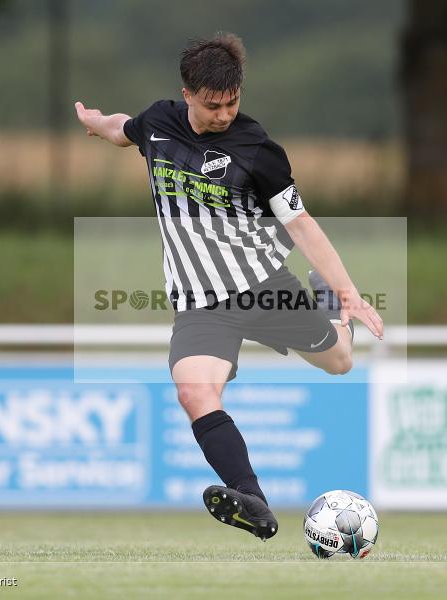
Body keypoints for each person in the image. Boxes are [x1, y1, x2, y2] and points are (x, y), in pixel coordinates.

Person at [74, 32, 383, 541]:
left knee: (340, 362)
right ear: (188, 94)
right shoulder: (158, 123)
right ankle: (254, 502)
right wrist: (96, 122)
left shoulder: (257, 148)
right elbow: (121, 129)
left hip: (263, 286)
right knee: (194, 392)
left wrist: (346, 291)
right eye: (213, 105)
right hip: (201, 304)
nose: (224, 114)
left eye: (232, 102)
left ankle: (328, 304)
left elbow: (300, 223)